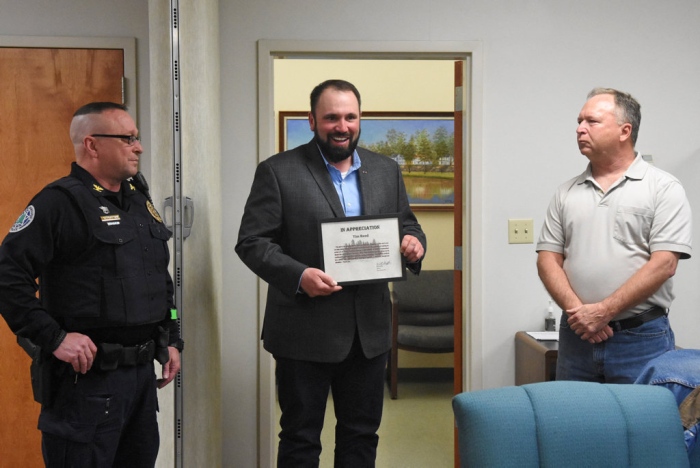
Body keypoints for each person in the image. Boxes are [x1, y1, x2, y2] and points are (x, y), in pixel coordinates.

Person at [236, 79, 426, 467]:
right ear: (311, 121)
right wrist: (300, 275)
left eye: (350, 117)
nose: (342, 126)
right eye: (332, 117)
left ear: (360, 119)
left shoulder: (385, 169)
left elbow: (408, 224)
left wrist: (413, 243)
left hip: (368, 335)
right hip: (303, 333)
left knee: (361, 436)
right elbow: (252, 242)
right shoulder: (278, 171)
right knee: (300, 439)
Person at [0, 102, 184, 467]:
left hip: (140, 380)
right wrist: (53, 337)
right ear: (92, 144)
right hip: (86, 384)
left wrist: (172, 336)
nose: (139, 146)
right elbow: (7, 276)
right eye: (128, 138)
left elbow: (158, 277)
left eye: (137, 138)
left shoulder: (138, 201)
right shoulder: (59, 203)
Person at [536, 88, 692, 383]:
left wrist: (604, 312)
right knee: (575, 422)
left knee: (641, 426)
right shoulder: (566, 192)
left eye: (591, 122)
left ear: (625, 131)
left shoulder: (663, 188)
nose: (580, 129)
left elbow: (664, 263)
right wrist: (579, 314)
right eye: (579, 121)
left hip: (640, 338)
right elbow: (547, 260)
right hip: (576, 336)